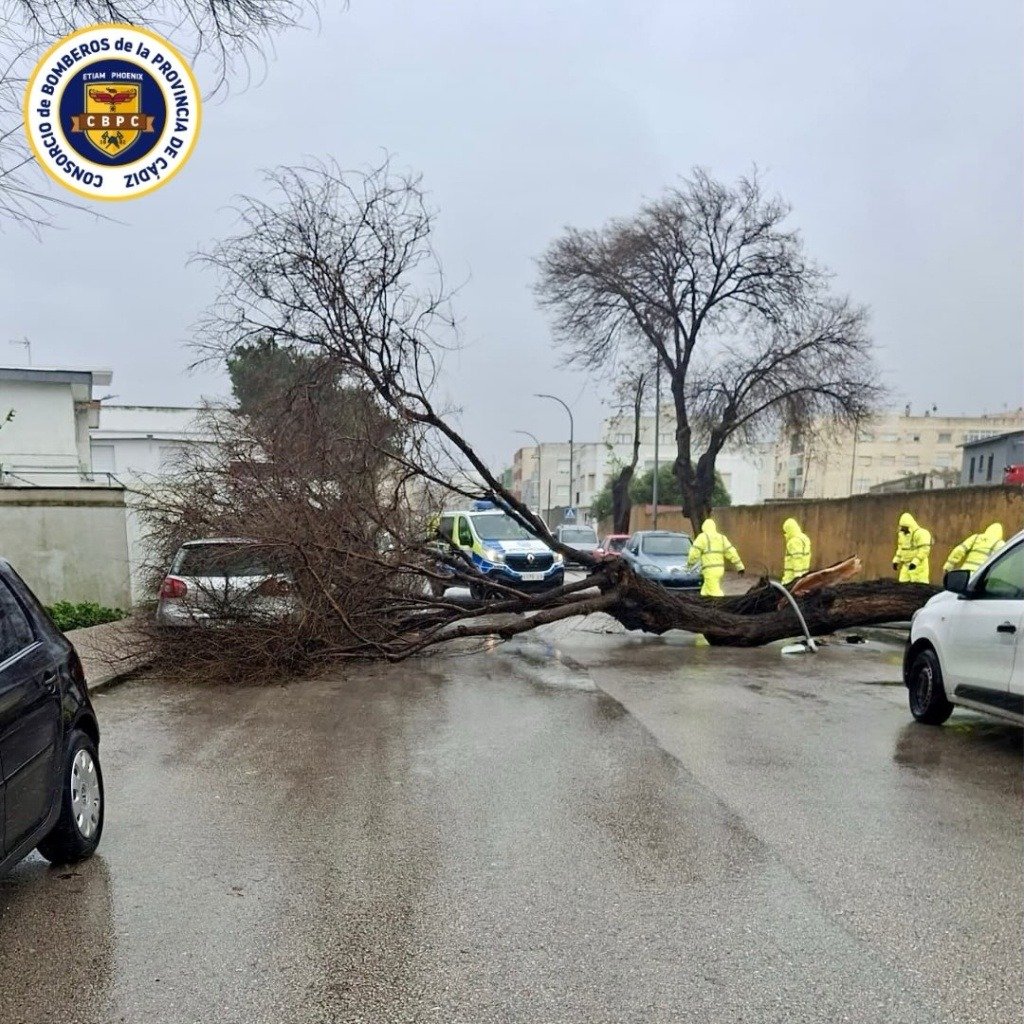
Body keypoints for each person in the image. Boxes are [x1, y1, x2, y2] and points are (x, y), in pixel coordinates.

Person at [687, 518, 745, 597]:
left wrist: (689, 564)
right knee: (705, 591)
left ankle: (722, 607)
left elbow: (694, 553)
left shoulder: (702, 537)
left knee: (715, 594)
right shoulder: (722, 538)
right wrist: (739, 566)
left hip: (709, 570)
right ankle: (703, 606)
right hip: (719, 570)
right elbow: (731, 552)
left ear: (703, 527)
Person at [892, 512, 932, 583]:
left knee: (919, 586)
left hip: (919, 566)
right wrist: (896, 560)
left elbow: (924, 550)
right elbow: (901, 548)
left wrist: (915, 562)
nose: (903, 529)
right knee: (903, 584)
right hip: (906, 564)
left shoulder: (921, 533)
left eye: (905, 527)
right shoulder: (902, 535)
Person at [781, 517, 811, 584]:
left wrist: (797, 576)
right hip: (804, 574)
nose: (785, 534)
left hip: (791, 578)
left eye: (785, 531)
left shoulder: (793, 541)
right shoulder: (804, 538)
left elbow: (797, 558)